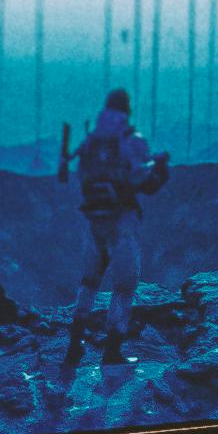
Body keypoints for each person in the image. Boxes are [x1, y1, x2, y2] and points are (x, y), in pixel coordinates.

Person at [63, 87, 169, 362]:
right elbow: (145, 183)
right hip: (122, 220)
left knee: (89, 280)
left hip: (94, 219)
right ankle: (113, 350)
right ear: (127, 109)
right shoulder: (132, 140)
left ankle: (74, 344)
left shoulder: (90, 142)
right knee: (124, 284)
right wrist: (161, 170)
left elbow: (81, 177)